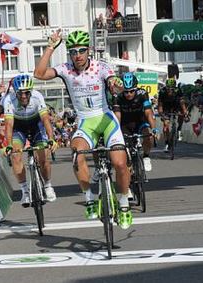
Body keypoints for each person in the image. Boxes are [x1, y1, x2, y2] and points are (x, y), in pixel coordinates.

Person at [34, 29, 132, 229]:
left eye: (81, 50)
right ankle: (89, 197)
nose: (77, 55)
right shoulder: (65, 69)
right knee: (77, 154)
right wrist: (51, 47)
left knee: (120, 164)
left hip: (105, 119)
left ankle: (123, 203)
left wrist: (116, 85)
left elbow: (113, 81)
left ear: (88, 51)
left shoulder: (101, 67)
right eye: (72, 51)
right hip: (85, 122)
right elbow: (39, 74)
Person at [3, 74, 57, 206]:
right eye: (20, 93)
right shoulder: (8, 100)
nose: (23, 96)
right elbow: (9, 124)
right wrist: (9, 144)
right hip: (18, 128)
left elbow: (45, 119)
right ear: (15, 92)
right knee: (15, 155)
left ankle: (48, 186)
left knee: (43, 157)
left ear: (30, 91)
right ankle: (25, 191)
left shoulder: (37, 96)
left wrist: (51, 139)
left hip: (36, 126)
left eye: (26, 93)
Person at [112, 72, 157, 172]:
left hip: (140, 121)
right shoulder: (117, 97)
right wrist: (116, 131)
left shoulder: (142, 93)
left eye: (131, 91)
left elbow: (148, 112)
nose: (129, 94)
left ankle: (146, 156)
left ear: (136, 88)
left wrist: (154, 129)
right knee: (124, 148)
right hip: (125, 124)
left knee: (149, 137)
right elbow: (117, 116)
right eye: (126, 92)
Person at [158, 78, 189, 152]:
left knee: (182, 114)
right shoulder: (162, 91)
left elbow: (182, 102)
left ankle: (179, 129)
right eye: (168, 88)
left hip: (176, 105)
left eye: (172, 89)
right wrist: (161, 112)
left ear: (175, 88)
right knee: (166, 125)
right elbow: (160, 104)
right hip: (166, 107)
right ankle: (166, 143)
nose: (170, 90)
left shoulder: (178, 90)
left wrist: (185, 111)